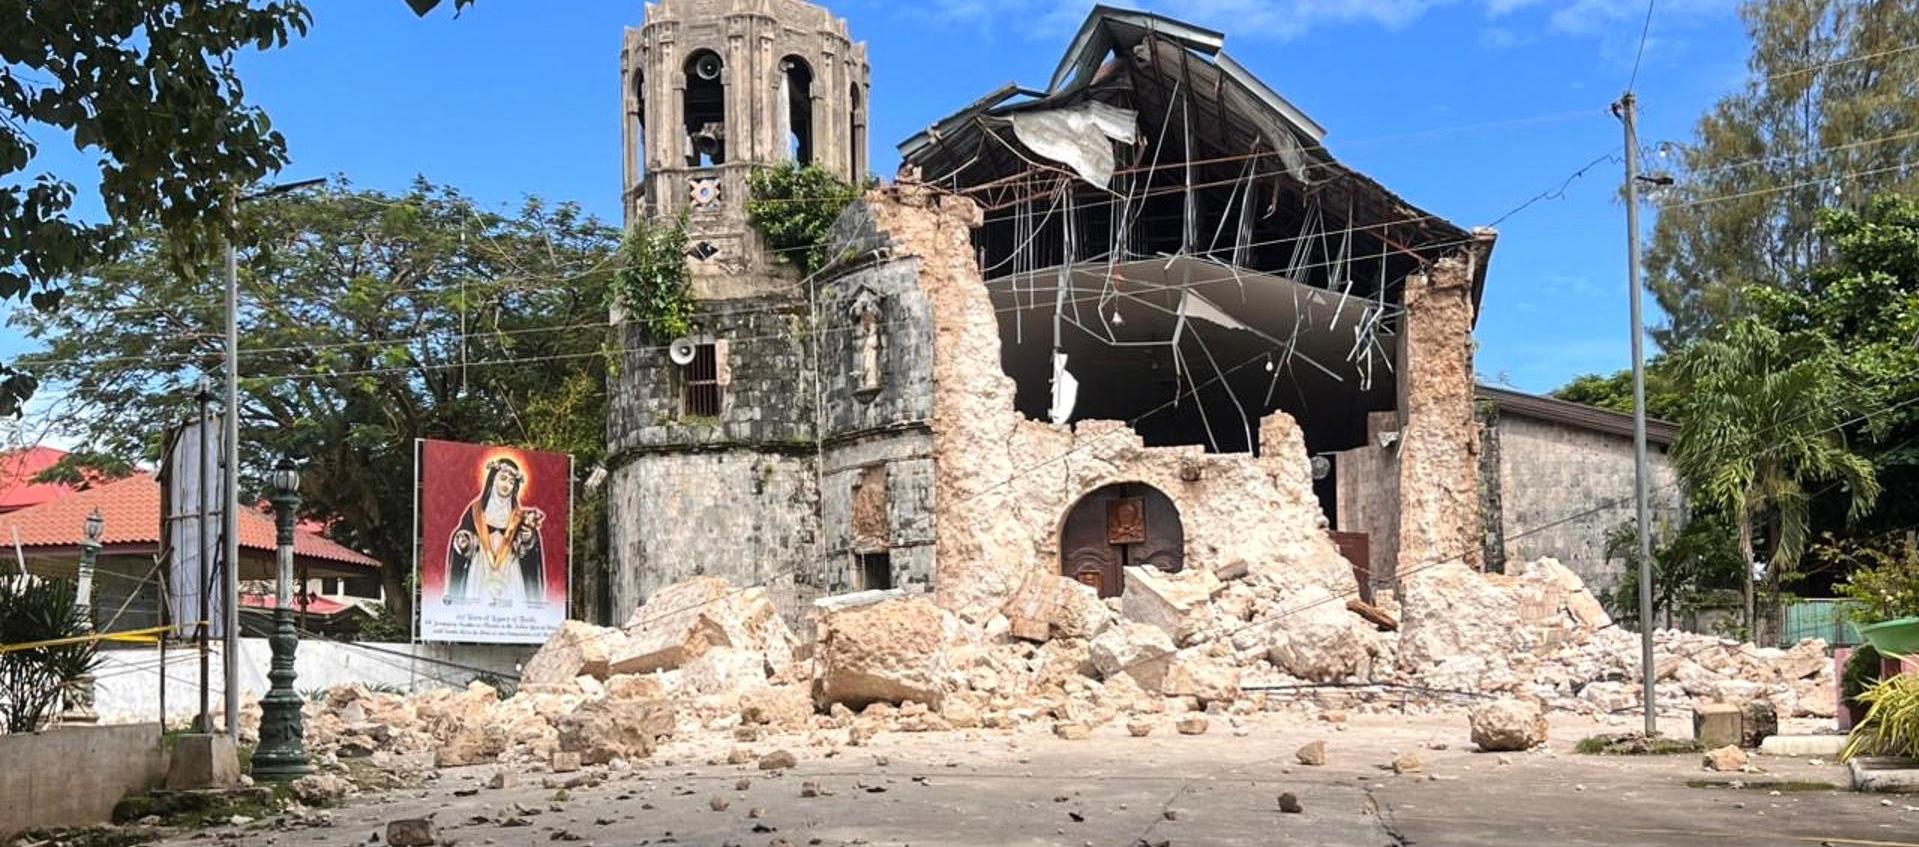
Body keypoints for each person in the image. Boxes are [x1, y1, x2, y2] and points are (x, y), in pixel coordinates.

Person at [444, 457, 547, 608]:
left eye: (511, 482)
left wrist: (528, 539)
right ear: (493, 479)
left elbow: (528, 551)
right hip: (481, 566)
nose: (506, 485)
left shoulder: (519, 515)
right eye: (503, 479)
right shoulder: (476, 510)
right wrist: (465, 540)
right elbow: (464, 535)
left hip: (510, 569)